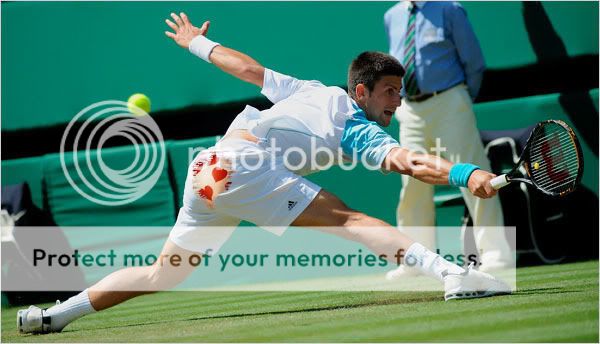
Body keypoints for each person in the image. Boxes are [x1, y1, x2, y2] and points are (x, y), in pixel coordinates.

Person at [17, 13, 510, 334]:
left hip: (207, 173)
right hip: (243, 169)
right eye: (388, 93)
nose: (396, 102)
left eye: (399, 93)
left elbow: (250, 71)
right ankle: (452, 274)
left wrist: (196, 44)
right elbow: (410, 161)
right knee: (350, 220)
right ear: (361, 92)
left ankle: (53, 315)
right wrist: (466, 173)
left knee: (159, 275)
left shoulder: (308, 89)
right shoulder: (352, 123)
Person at [384, 1, 513, 279]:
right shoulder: (392, 16)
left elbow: (474, 62)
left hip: (450, 100)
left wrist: (460, 100)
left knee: (473, 172)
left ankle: (495, 253)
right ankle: (414, 260)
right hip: (410, 109)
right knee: (412, 183)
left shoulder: (450, 9)